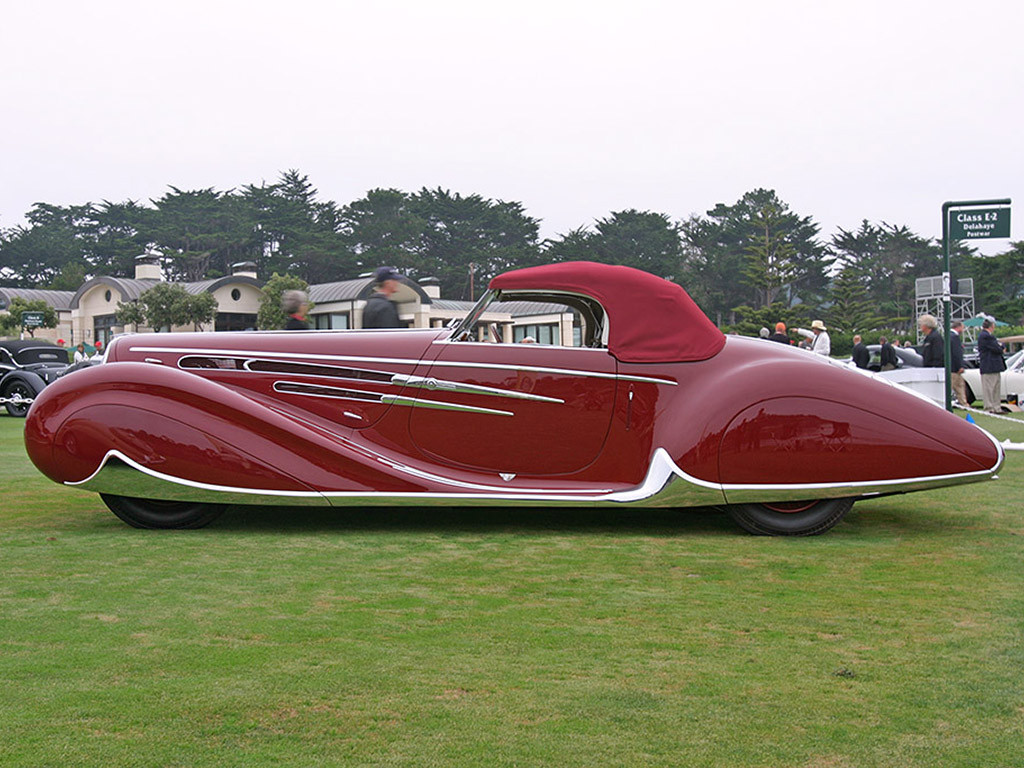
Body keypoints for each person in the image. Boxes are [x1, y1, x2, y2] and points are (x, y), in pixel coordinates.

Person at [977, 318, 1006, 413]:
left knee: (995, 388)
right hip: (989, 366)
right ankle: (990, 407)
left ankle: (996, 407)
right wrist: (1002, 348)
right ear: (992, 326)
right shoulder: (986, 336)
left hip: (993, 366)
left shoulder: (986, 336)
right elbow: (997, 348)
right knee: (989, 388)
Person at [950, 320, 968, 407]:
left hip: (950, 367)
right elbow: (957, 353)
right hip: (955, 368)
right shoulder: (955, 337)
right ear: (958, 327)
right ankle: (963, 403)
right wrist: (960, 366)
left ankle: (964, 403)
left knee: (959, 385)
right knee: (959, 386)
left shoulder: (948, 335)